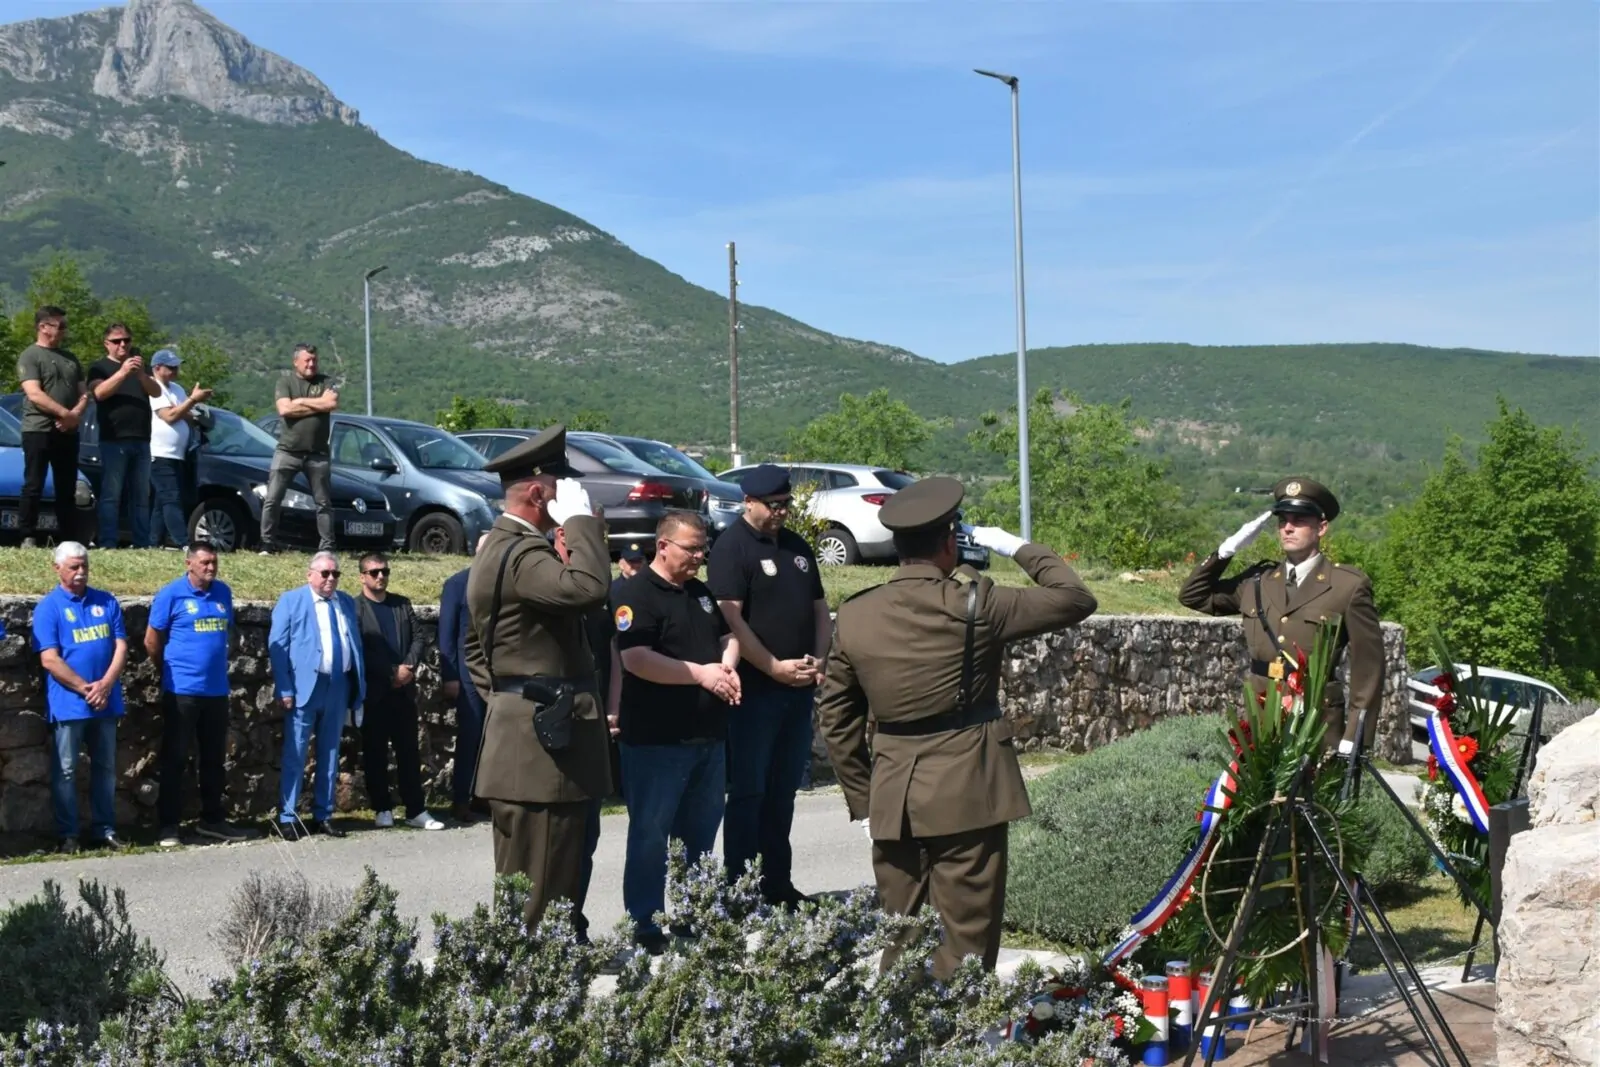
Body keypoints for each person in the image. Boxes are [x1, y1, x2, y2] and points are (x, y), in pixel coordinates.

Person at [816, 478, 1098, 977]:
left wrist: (865, 800)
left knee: (899, 931)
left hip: (892, 798)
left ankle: (898, 1037)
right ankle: (954, 1036)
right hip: (969, 789)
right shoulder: (979, 604)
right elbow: (1075, 598)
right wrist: (1014, 545)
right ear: (950, 540)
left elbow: (837, 719)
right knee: (966, 934)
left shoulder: (856, 614)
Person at [464, 424, 612, 927]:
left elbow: (479, 649)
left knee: (532, 895)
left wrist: (511, 702)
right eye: (561, 488)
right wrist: (580, 523)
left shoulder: (499, 549)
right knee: (539, 903)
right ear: (537, 492)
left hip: (527, 743)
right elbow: (590, 586)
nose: (572, 498)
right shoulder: (524, 555)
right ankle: (525, 998)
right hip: (540, 758)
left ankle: (522, 990)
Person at [1177, 477, 1384, 749]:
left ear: (1321, 528)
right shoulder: (1258, 582)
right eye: (1282, 520)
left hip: (1317, 721)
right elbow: (1193, 596)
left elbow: (1368, 668)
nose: (1287, 527)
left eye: (1298, 520)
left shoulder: (1348, 586)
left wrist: (1354, 737)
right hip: (1260, 718)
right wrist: (1225, 552)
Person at [613, 511, 740, 954]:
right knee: (650, 836)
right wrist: (700, 676)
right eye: (692, 548)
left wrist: (726, 667)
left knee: (700, 837)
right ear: (663, 545)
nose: (700, 556)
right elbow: (637, 660)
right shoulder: (636, 595)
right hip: (656, 741)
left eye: (703, 548)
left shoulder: (700, 592)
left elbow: (729, 636)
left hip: (707, 736)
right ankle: (645, 922)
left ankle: (690, 917)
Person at [707, 464, 830, 908]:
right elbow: (731, 619)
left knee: (782, 793)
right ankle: (740, 889)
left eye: (786, 505)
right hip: (756, 691)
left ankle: (777, 884)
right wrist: (773, 666)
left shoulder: (797, 547)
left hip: (797, 690)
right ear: (749, 503)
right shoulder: (731, 547)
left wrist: (820, 658)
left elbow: (820, 609)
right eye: (773, 506)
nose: (781, 513)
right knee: (749, 793)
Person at [146, 541, 247, 847]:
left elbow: (226, 634)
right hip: (182, 690)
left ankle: (212, 819)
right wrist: (168, 668)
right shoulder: (171, 594)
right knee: (175, 757)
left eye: (214, 563)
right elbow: (152, 640)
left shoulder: (223, 593)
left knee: (214, 758)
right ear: (189, 564)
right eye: (204, 563)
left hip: (215, 690)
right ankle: (169, 826)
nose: (211, 568)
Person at [551, 521, 623, 944]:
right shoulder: (547, 584)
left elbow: (613, 654)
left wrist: (612, 708)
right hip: (554, 725)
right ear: (561, 538)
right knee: (554, 838)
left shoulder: (599, 594)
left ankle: (574, 925)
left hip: (592, 724)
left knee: (586, 837)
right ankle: (545, 931)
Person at [31, 542, 128, 852]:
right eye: (74, 567)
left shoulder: (106, 601)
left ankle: (105, 829)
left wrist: (106, 684)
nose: (81, 572)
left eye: (84, 566)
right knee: (67, 770)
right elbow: (50, 659)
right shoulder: (49, 608)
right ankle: (68, 834)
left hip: (106, 702)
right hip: (70, 705)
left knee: (106, 768)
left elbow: (121, 647)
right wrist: (87, 689)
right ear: (57, 568)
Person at [268, 551, 366, 839]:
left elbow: (353, 643)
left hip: (337, 685)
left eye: (335, 574)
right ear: (310, 574)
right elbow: (278, 646)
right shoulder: (292, 600)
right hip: (304, 688)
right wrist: (284, 687)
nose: (331, 579)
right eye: (325, 573)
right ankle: (287, 816)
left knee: (331, 752)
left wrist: (357, 685)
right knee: (296, 753)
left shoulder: (345, 602)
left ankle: (324, 814)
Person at [353, 551, 444, 831]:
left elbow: (418, 637)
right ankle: (382, 808)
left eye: (385, 571)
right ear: (362, 577)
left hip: (403, 692)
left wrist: (407, 666)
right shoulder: (355, 608)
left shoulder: (401, 605)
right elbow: (360, 648)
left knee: (408, 752)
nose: (381, 576)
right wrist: (391, 673)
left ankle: (416, 809)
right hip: (376, 692)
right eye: (374, 572)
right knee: (375, 752)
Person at [15, 305, 87, 548]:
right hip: (38, 428)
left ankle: (68, 539)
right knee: (34, 483)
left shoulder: (70, 358)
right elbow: (34, 393)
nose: (64, 331)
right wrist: (64, 413)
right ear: (43, 327)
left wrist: (74, 415)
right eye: (60, 326)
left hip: (68, 431)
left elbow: (84, 392)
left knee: (67, 486)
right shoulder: (30, 356)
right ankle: (27, 535)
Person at [87, 324, 160, 548]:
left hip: (141, 439)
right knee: (111, 495)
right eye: (117, 341)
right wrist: (122, 372)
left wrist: (140, 374)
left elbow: (156, 392)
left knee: (141, 496)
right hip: (114, 439)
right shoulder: (99, 367)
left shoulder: (139, 367)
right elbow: (99, 393)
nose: (123, 345)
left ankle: (142, 542)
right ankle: (108, 541)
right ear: (106, 343)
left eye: (126, 340)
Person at [261, 343, 338, 554]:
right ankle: (267, 543)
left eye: (314, 360)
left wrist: (301, 401)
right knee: (273, 497)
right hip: (288, 451)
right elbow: (285, 409)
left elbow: (330, 404)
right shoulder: (285, 382)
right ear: (296, 362)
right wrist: (316, 403)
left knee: (323, 502)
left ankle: (327, 546)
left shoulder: (325, 381)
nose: (311, 364)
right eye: (307, 360)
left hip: (318, 454)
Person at [439, 533, 490, 823]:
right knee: (470, 738)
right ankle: (460, 800)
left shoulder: (501, 583)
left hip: (496, 674)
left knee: (492, 740)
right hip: (468, 675)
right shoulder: (457, 584)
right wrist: (451, 677)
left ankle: (483, 796)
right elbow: (445, 636)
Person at [148, 348, 212, 549]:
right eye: (171, 367)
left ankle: (152, 542)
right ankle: (183, 542)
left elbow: (187, 415)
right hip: (159, 453)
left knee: (162, 501)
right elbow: (169, 416)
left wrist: (192, 409)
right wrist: (191, 401)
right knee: (171, 497)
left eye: (177, 367)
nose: (175, 371)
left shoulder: (176, 389)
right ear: (157, 368)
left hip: (177, 454)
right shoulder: (154, 388)